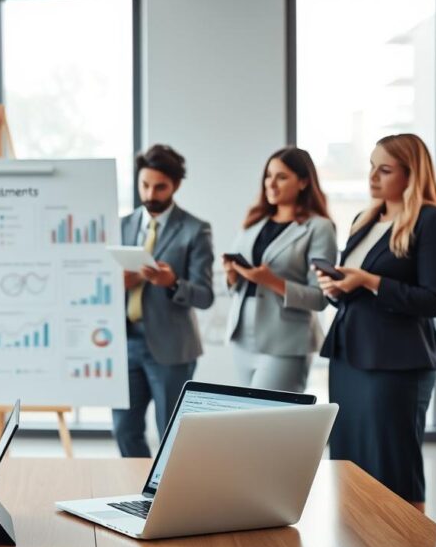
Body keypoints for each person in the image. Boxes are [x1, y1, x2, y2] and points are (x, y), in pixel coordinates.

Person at [316, 133, 436, 511]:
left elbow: (435, 299)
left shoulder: (432, 221)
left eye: (385, 169)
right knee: (349, 460)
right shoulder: (366, 219)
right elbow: (354, 289)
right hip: (349, 356)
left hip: (397, 363)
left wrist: (370, 281)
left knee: (394, 465)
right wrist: (338, 287)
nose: (373, 177)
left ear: (412, 174)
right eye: (371, 167)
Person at [113, 144, 214, 458]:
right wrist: (119, 285)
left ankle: (166, 500)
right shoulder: (122, 226)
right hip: (125, 342)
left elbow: (205, 296)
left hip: (171, 348)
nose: (150, 193)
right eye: (145, 185)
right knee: (124, 429)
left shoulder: (196, 230)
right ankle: (136, 492)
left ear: (176, 186)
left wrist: (172, 283)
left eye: (160, 187)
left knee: (170, 433)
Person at [223, 147, 337, 392]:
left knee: (271, 422)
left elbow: (320, 297)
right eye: (268, 176)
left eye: (281, 177)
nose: (271, 184)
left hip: (285, 342)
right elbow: (238, 286)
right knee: (247, 421)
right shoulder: (254, 222)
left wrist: (271, 280)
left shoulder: (319, 228)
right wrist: (233, 277)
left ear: (304, 182)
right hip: (242, 338)